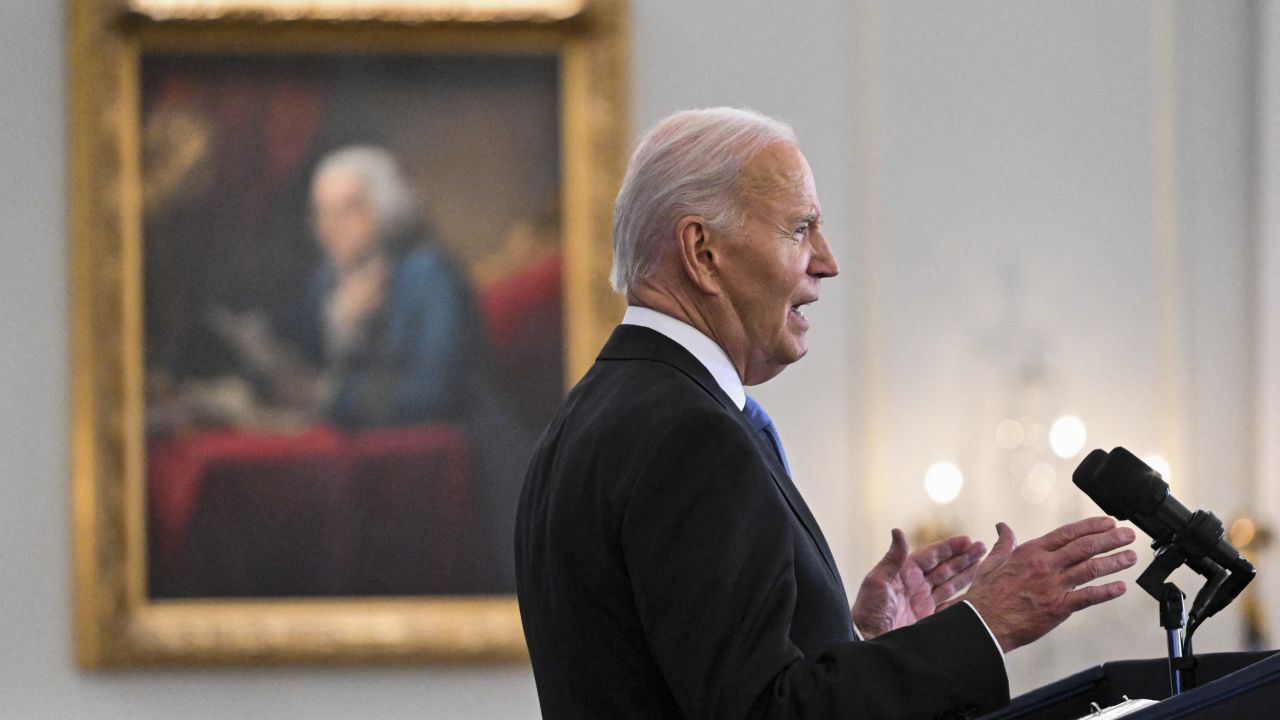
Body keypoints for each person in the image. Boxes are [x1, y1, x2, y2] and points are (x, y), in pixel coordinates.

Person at [514, 108, 1138, 719]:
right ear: (702, 251)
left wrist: (857, 641)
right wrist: (983, 626)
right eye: (799, 229)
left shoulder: (590, 415)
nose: (827, 261)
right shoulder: (692, 434)